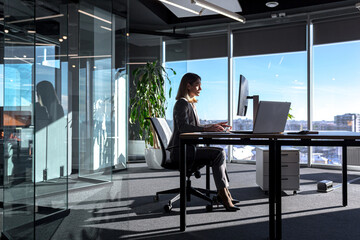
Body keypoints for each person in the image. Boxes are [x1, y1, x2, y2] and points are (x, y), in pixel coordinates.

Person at [167, 72, 240, 211]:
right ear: (188, 86)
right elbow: (183, 128)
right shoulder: (181, 103)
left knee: (219, 153)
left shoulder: (190, 104)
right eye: (197, 85)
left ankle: (225, 193)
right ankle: (223, 194)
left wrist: (214, 126)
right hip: (181, 151)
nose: (200, 89)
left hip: (189, 148)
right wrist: (208, 127)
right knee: (218, 153)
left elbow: (196, 127)